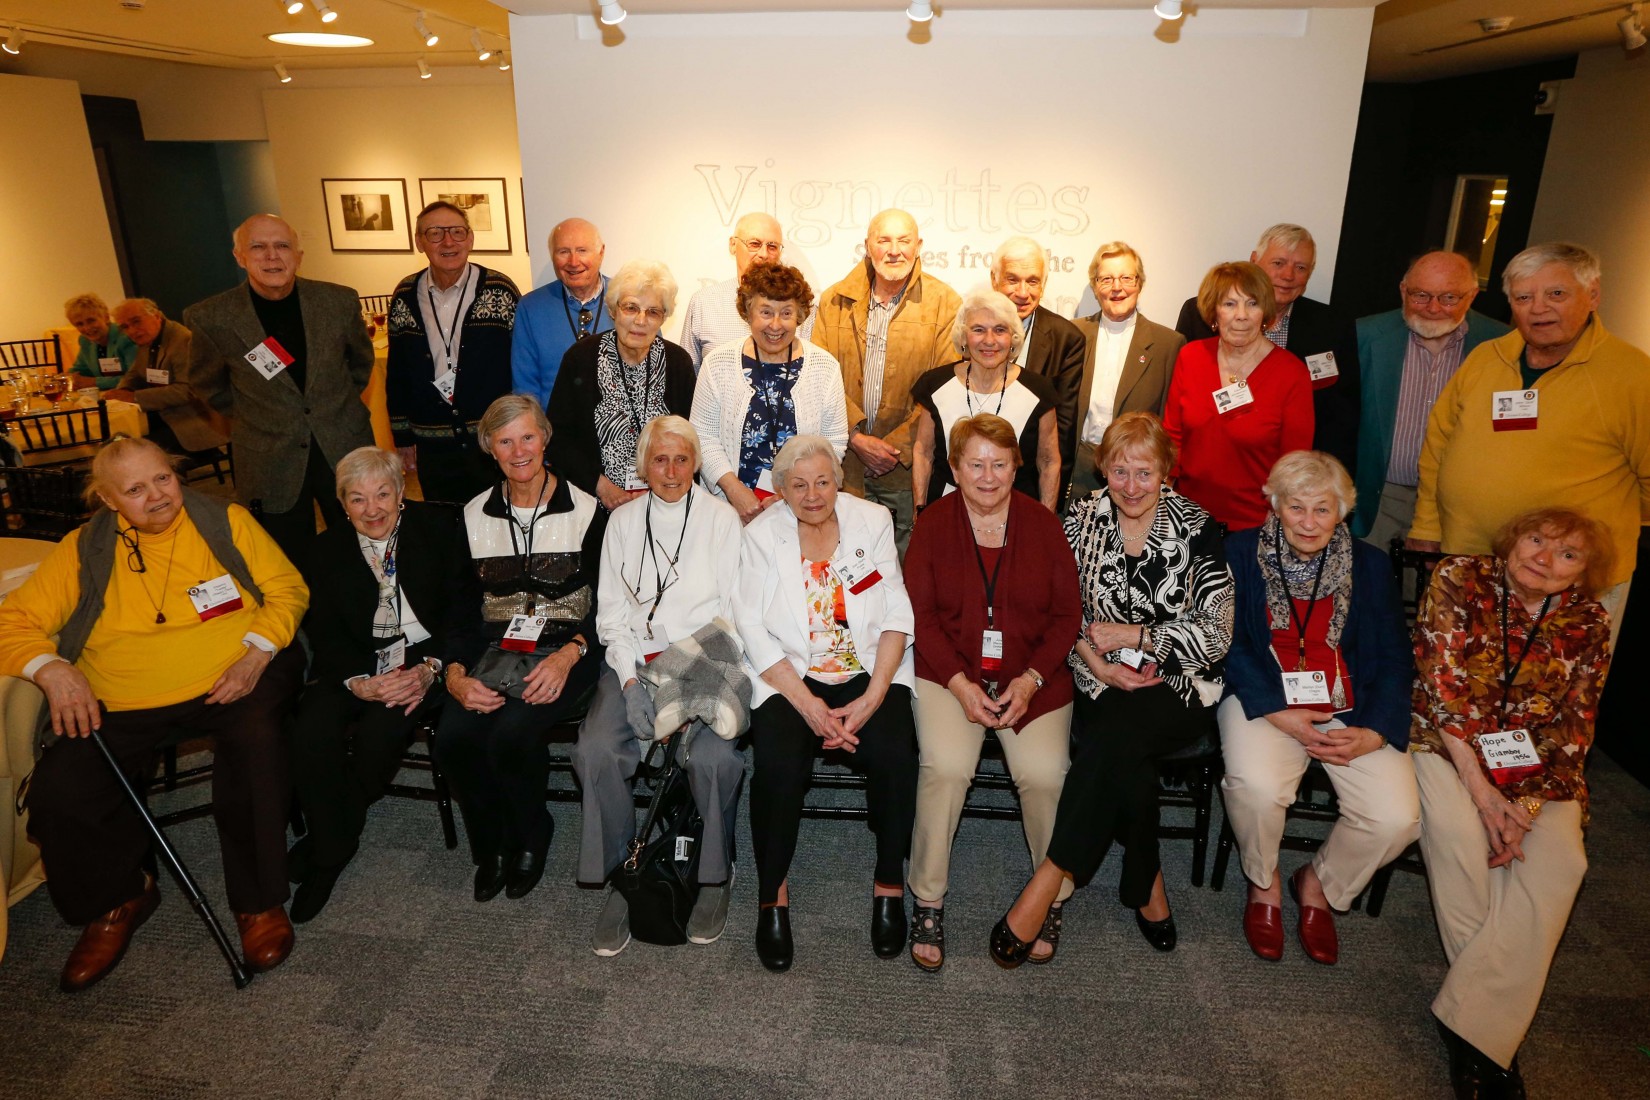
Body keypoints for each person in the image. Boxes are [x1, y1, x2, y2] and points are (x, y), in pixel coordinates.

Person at [0, 437, 308, 991]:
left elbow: (287, 589)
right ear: (109, 501)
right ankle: (120, 896)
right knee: (59, 793)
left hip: (236, 674)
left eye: (163, 479)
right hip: (123, 698)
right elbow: (12, 621)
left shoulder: (224, 521)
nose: (158, 496)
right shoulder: (82, 548)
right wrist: (51, 669)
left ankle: (259, 901)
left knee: (258, 745)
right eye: (136, 490)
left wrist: (259, 652)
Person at [991, 412, 1233, 967]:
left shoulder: (1198, 527)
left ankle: (1049, 876)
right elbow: (1055, 609)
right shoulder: (1079, 522)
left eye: (1144, 473)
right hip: (1096, 677)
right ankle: (1147, 885)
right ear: (1104, 470)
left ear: (1166, 473)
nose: (1130, 486)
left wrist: (1139, 636)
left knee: (1116, 737)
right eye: (1119, 471)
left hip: (1178, 681)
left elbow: (1216, 634)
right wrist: (1095, 663)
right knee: (1125, 754)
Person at [1409, 508, 1615, 1098]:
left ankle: (1470, 1022)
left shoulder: (1591, 621)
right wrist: (1482, 794)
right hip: (1448, 748)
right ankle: (1489, 1040)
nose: (1544, 559)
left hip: (1541, 774)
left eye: (1566, 554)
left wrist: (1520, 811)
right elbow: (1441, 688)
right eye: (1536, 540)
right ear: (1512, 539)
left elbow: (1576, 726)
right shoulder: (1459, 578)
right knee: (1457, 836)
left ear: (1584, 572)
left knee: (1564, 865)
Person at [1219, 451, 1417, 965]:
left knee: (1397, 818)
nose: (1308, 522)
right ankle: (1262, 883)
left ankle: (1319, 884)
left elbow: (1396, 658)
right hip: (1264, 700)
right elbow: (1225, 644)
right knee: (1256, 787)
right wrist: (1275, 710)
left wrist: (1375, 731)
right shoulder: (1239, 553)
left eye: (1322, 509)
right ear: (1275, 506)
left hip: (1349, 708)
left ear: (1343, 511)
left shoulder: (1370, 566)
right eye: (1296, 507)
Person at [733, 434, 918, 972]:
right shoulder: (763, 535)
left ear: (839, 480)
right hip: (789, 675)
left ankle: (889, 881)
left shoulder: (871, 521)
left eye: (822, 481)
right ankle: (773, 893)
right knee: (778, 767)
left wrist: (875, 695)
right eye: (799, 485)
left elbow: (895, 612)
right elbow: (751, 627)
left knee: (894, 758)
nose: (813, 494)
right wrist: (810, 706)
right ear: (781, 491)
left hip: (866, 668)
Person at [904, 414, 1081, 971]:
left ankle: (1048, 894)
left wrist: (1030, 683)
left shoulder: (1044, 525)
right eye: (974, 464)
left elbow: (1065, 616)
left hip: (1032, 679)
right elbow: (921, 617)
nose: (987, 476)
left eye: (999, 464)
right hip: (947, 673)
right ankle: (928, 899)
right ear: (953, 469)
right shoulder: (933, 524)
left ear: (1016, 468)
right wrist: (959, 685)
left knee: (1045, 774)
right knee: (945, 768)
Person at [1409, 242, 1650, 642]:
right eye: (1524, 297)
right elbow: (1438, 445)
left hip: (1568, 581)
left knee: (1548, 696)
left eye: (1556, 293)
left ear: (1593, 296)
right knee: (1461, 687)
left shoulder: (1633, 376)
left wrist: (1595, 526)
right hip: (1472, 566)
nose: (1538, 308)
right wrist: (1427, 525)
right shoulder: (1488, 357)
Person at [573, 415, 746, 955]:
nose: (670, 471)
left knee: (714, 761)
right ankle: (630, 866)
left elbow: (733, 615)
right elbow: (611, 617)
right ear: (643, 464)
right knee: (596, 750)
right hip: (634, 663)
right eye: (659, 459)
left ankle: (715, 877)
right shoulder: (622, 523)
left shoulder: (722, 519)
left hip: (706, 662)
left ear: (696, 464)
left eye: (682, 459)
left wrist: (689, 694)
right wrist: (627, 681)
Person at [287, 447, 470, 922]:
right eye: (358, 499)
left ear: (401, 492)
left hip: (421, 656)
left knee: (379, 734)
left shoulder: (438, 529)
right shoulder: (325, 552)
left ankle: (328, 851)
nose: (373, 510)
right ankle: (337, 835)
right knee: (311, 730)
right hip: (351, 658)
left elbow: (462, 611)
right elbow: (323, 630)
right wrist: (357, 681)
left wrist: (431, 666)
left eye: (383, 494)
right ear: (342, 505)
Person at [434, 394, 604, 903]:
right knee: (455, 737)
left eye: (527, 436)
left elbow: (610, 606)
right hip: (494, 647)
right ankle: (492, 847)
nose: (518, 450)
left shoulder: (588, 510)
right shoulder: (471, 515)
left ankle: (532, 835)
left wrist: (569, 652)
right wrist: (456, 674)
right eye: (504, 441)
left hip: (567, 648)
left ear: (546, 438)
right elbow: (461, 610)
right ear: (489, 449)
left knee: (510, 732)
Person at [184, 214, 375, 568]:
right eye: (258, 247)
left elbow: (360, 366)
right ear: (240, 256)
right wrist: (256, 415)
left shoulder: (338, 302)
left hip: (343, 442)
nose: (272, 256)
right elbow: (206, 384)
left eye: (282, 245)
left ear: (298, 256)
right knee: (285, 557)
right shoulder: (212, 317)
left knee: (364, 544)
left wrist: (333, 404)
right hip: (268, 453)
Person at [812, 208, 962, 549]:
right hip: (843, 466)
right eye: (884, 240)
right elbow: (819, 378)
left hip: (907, 473)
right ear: (867, 246)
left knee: (902, 574)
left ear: (919, 246)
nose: (894, 250)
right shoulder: (833, 300)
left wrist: (892, 450)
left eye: (904, 240)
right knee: (845, 568)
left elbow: (944, 389)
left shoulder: (946, 303)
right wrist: (856, 438)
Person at [1175, 223, 1360, 473]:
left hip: (1282, 481)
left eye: (1301, 267)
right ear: (1255, 260)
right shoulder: (1199, 313)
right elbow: (1177, 414)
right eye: (1278, 263)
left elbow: (1342, 419)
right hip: (1198, 476)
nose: (1288, 275)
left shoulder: (1332, 327)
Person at [1352, 251, 1508, 547]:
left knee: (1435, 593)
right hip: (1377, 500)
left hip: (1453, 507)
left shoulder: (1501, 344)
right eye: (1421, 295)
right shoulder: (1365, 334)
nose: (1433, 308)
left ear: (1472, 295)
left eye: (1449, 298)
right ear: (1402, 290)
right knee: (1367, 589)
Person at [385, 201, 522, 505]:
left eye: (457, 232)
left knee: (497, 519)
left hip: (492, 439)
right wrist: (403, 437)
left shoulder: (500, 289)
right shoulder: (405, 295)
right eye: (435, 233)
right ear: (419, 242)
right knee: (445, 525)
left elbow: (520, 364)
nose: (448, 242)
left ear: (470, 239)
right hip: (432, 443)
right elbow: (397, 372)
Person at [1162, 261, 1314, 531]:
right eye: (1229, 304)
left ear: (1265, 311)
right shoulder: (1191, 356)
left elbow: (1295, 464)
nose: (1241, 315)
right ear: (1214, 312)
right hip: (1186, 519)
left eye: (1252, 304)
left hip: (1255, 526)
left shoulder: (1291, 374)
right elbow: (1173, 435)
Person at [691, 263, 847, 524]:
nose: (775, 325)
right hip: (731, 510)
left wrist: (794, 495)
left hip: (802, 509)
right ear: (747, 313)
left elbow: (835, 440)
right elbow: (703, 437)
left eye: (786, 313)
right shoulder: (717, 364)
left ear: (799, 316)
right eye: (766, 312)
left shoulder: (825, 366)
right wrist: (735, 491)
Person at [547, 260, 696, 512]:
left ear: (663, 318)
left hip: (667, 504)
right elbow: (558, 437)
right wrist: (602, 487)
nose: (640, 320)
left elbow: (692, 438)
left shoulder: (677, 362)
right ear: (613, 310)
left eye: (653, 312)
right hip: (595, 505)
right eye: (631, 308)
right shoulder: (580, 358)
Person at [910, 287, 1060, 511]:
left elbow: (1049, 462)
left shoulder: (1039, 391)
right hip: (946, 510)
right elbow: (923, 452)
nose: (989, 340)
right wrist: (919, 511)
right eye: (978, 330)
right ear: (964, 337)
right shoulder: (935, 385)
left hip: (1017, 511)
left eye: (1000, 330)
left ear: (1013, 337)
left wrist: (1044, 521)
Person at [1070, 241, 1185, 501]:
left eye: (1126, 278)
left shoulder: (1169, 344)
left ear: (1140, 283)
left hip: (1137, 477)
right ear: (1094, 286)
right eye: (1106, 279)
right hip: (1077, 472)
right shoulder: (1071, 335)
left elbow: (1172, 422)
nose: (1117, 287)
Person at [989, 236, 1085, 506]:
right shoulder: (970, 329)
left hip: (1029, 485)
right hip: (975, 478)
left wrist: (1050, 504)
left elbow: (1063, 433)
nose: (1023, 292)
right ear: (994, 279)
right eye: (1012, 279)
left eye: (1032, 281)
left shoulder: (1067, 339)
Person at [679, 212, 813, 369]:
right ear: (733, 245)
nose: (763, 254)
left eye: (772, 247)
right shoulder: (703, 303)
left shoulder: (800, 307)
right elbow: (687, 374)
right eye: (754, 244)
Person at [104, 299, 229, 460]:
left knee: (136, 450)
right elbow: (134, 374)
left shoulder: (183, 340)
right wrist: (123, 389)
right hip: (164, 413)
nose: (132, 331)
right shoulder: (148, 340)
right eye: (125, 327)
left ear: (156, 316)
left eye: (136, 321)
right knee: (118, 438)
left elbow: (187, 391)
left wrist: (134, 397)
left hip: (195, 418)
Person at [512, 218, 612, 407]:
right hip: (555, 431)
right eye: (563, 252)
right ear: (552, 256)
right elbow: (525, 388)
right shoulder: (530, 307)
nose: (573, 262)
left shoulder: (629, 300)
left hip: (620, 432)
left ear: (601, 252)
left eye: (582, 250)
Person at [64, 292, 137, 391]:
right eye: (79, 324)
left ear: (106, 317)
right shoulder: (85, 340)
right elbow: (81, 369)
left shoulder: (125, 338)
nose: (87, 328)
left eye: (91, 321)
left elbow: (134, 379)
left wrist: (94, 382)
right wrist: (67, 378)